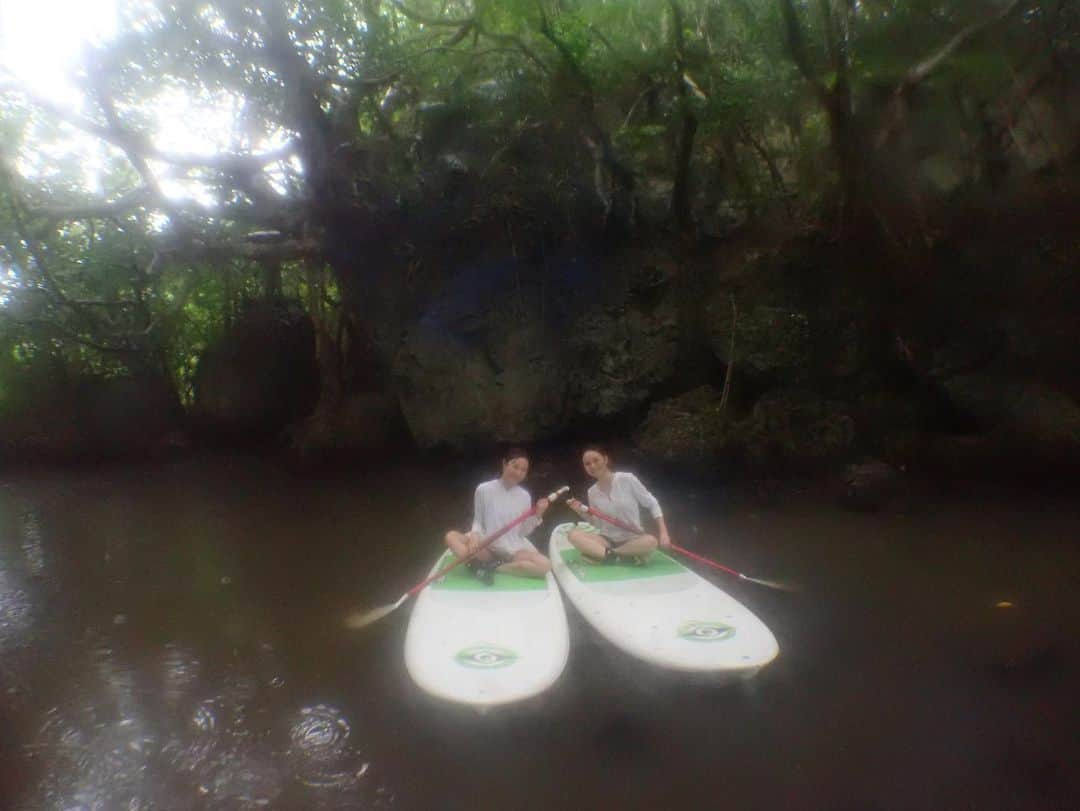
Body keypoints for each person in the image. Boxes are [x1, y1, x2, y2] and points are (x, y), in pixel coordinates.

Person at [443, 447, 552, 583]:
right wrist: (474, 538)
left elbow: (522, 532)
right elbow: (478, 521)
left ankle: (493, 569)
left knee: (546, 565)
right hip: (487, 547)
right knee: (451, 537)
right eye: (515, 466)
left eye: (523, 470)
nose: (518, 472)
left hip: (512, 551)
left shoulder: (525, 496)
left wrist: (538, 515)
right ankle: (482, 565)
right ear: (504, 464)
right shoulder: (483, 489)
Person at [566, 447, 671, 564]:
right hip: (607, 540)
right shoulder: (592, 492)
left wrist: (663, 533)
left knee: (651, 541)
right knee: (573, 535)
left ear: (605, 459)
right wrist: (580, 511)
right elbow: (598, 523)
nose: (593, 466)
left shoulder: (627, 479)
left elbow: (652, 503)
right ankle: (620, 556)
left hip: (633, 538)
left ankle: (605, 554)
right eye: (587, 464)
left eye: (596, 460)